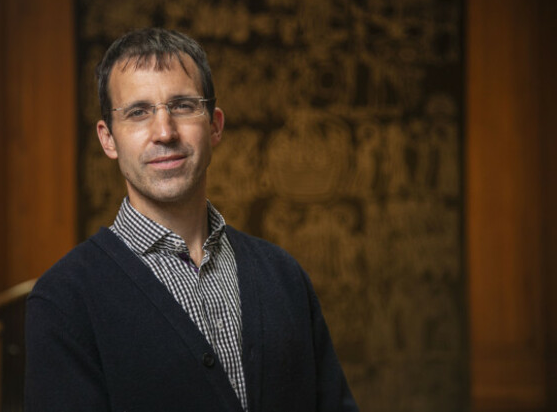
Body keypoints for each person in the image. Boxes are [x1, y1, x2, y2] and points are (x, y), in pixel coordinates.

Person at [25, 27, 359, 412]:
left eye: (183, 106)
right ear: (108, 139)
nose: (164, 132)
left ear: (214, 125)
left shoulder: (284, 276)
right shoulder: (63, 301)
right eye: (138, 112)